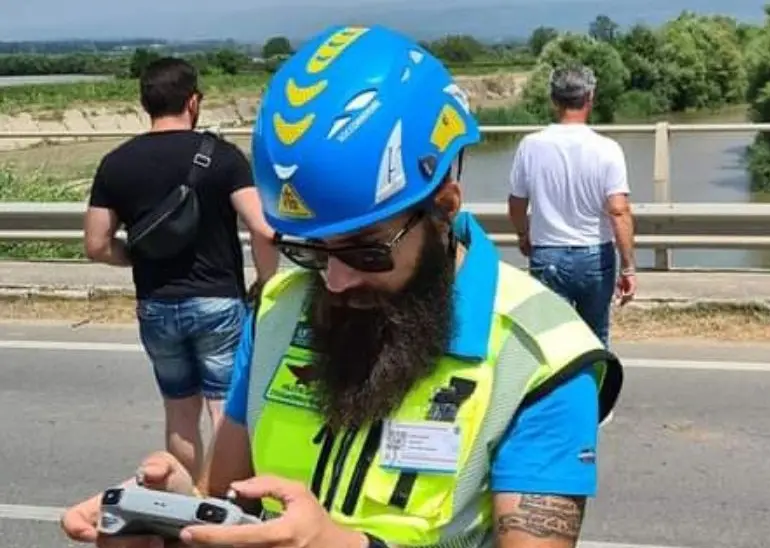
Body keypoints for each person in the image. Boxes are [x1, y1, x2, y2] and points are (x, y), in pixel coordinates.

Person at [61, 24, 623, 548]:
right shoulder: (278, 309)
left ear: (444, 206)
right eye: (309, 250)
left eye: (365, 250)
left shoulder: (542, 360)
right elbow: (228, 493)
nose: (334, 280)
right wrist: (182, 514)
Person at [82, 56, 278, 481]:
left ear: (145, 103)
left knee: (179, 412)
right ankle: (226, 506)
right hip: (218, 301)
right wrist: (266, 284)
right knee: (226, 408)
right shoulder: (223, 158)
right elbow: (263, 228)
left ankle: (185, 506)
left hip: (155, 304)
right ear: (193, 102)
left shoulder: (116, 163)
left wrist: (135, 257)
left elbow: (96, 244)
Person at [507, 64, 637, 347]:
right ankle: (595, 390)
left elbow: (517, 204)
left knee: (553, 344)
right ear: (590, 98)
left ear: (554, 100)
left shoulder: (530, 146)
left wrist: (523, 235)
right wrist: (628, 268)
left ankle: (561, 391)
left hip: (547, 254)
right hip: (595, 257)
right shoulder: (608, 149)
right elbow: (618, 210)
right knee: (594, 339)